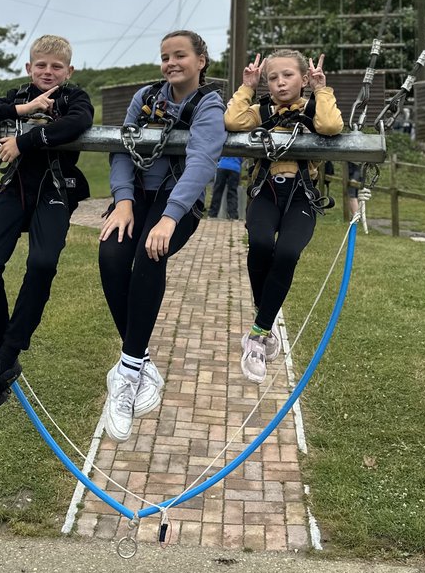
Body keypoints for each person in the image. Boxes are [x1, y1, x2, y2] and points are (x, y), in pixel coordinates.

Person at [98, 30, 226, 442]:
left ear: (201, 60)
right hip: (137, 195)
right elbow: (123, 146)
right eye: (165, 57)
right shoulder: (146, 97)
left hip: (177, 198)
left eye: (180, 55)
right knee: (112, 255)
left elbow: (202, 160)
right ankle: (140, 364)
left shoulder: (207, 103)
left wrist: (170, 217)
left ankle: (127, 373)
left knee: (149, 256)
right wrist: (122, 200)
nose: (171, 63)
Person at [0, 35, 93, 418]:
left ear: (68, 71)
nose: (48, 72)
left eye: (56, 67)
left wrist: (25, 141)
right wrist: (24, 108)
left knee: (41, 263)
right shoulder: (17, 95)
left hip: (54, 188)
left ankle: (7, 354)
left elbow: (78, 124)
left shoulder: (74, 97)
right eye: (42, 65)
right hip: (16, 187)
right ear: (29, 68)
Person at [225, 49, 343, 383]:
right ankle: (265, 325)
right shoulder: (262, 110)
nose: (279, 83)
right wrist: (247, 87)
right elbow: (232, 121)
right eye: (273, 78)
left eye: (288, 75)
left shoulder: (314, 108)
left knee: (288, 252)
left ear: (304, 79)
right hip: (266, 192)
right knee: (261, 244)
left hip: (300, 195)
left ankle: (258, 332)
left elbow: (332, 126)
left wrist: (321, 90)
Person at [208, 154, 242, 220]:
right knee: (232, 192)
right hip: (235, 168)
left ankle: (212, 214)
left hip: (222, 166)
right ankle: (233, 215)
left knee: (217, 190)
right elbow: (241, 159)